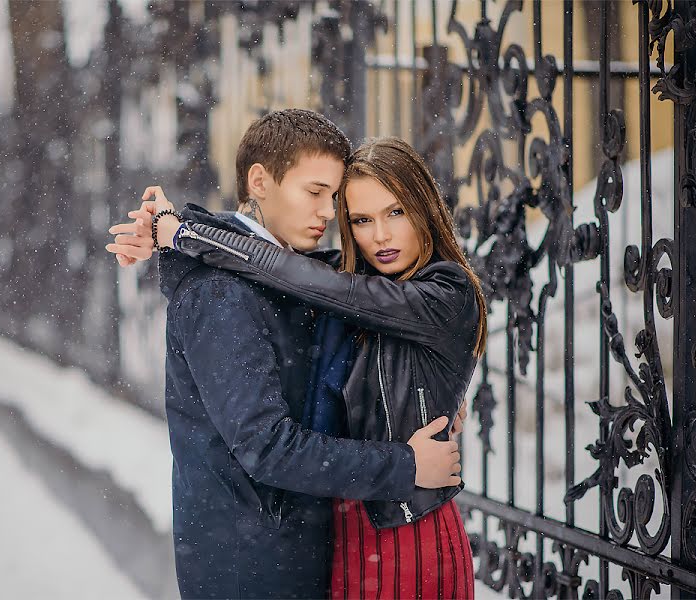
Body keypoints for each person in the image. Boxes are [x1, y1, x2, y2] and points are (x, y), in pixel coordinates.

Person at [106, 110, 464, 599]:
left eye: (335, 200)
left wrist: (419, 394)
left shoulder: (292, 279)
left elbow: (323, 287)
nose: (326, 213)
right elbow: (266, 446)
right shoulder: (221, 294)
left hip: (306, 551)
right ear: (260, 181)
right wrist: (403, 464)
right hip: (251, 568)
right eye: (315, 192)